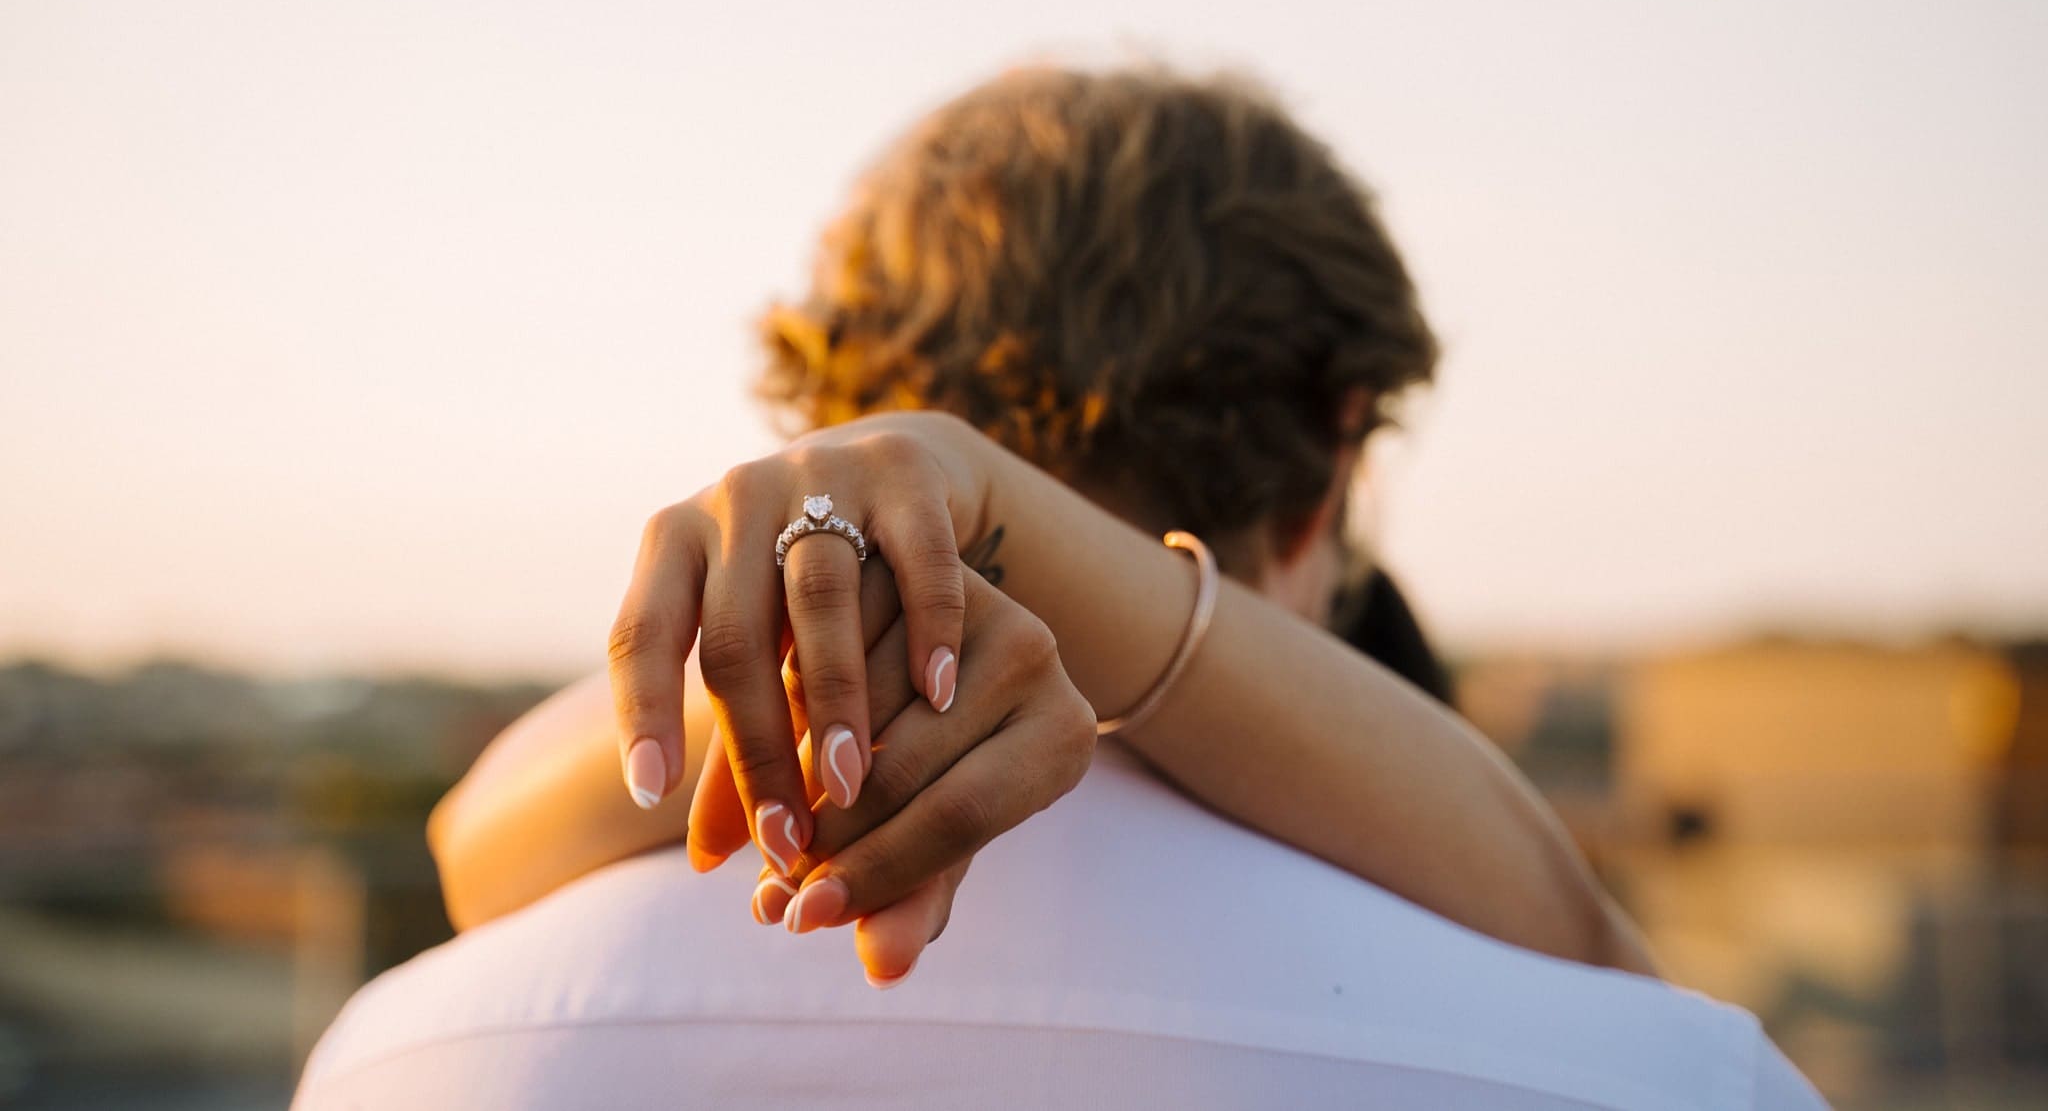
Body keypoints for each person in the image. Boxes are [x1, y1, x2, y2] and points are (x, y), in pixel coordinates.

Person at [293, 62, 1827, 1108]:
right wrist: (1002, 534)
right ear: (1331, 471)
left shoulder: (398, 1058)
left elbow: (475, 843)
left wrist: (916, 562)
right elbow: (1595, 950)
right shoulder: (1642, 1070)